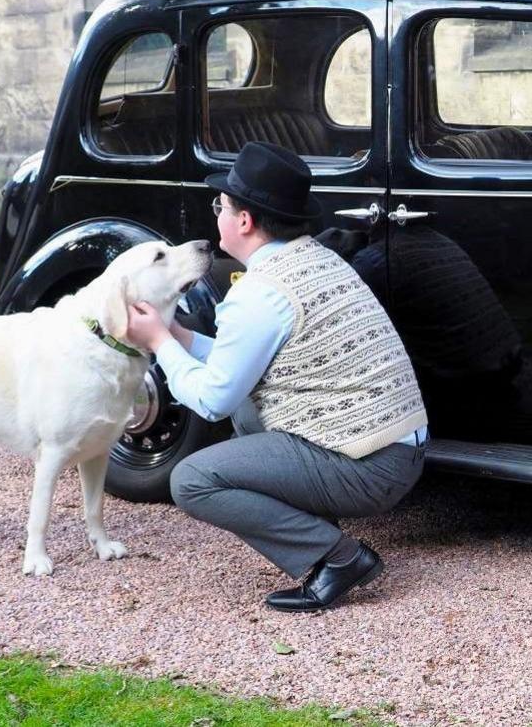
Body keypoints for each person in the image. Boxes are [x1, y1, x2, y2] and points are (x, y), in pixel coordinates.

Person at [123, 141, 428, 612]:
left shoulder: (261, 294)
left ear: (243, 221)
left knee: (192, 480)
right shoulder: (312, 259)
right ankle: (318, 530)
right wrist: (178, 336)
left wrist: (158, 343)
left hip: (372, 467)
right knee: (248, 405)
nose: (217, 214)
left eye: (220, 205)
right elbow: (237, 360)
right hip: (392, 449)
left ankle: (338, 557)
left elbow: (211, 401)